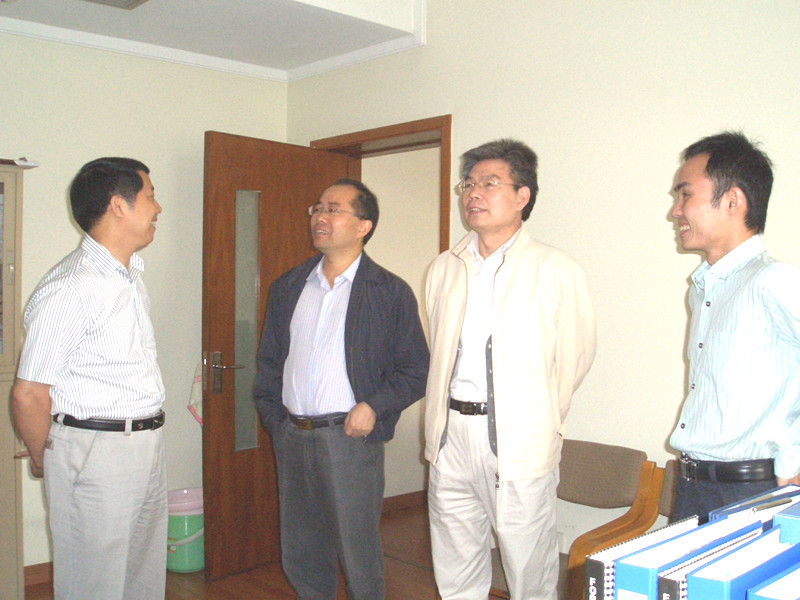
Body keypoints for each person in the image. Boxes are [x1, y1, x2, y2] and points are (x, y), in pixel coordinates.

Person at [424, 139, 596, 599]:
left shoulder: (555, 268)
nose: (473, 194)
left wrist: (539, 418)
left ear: (523, 196)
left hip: (519, 439)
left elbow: (575, 359)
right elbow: (439, 349)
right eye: (468, 184)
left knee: (528, 569)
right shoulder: (444, 268)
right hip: (450, 436)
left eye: (489, 183)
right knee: (455, 565)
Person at [252, 178, 429, 600]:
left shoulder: (389, 291)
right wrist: (276, 420)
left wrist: (374, 406)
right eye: (317, 208)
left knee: (357, 547)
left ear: (363, 226)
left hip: (349, 438)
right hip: (293, 435)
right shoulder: (289, 286)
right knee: (301, 546)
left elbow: (416, 368)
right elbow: (270, 361)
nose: (320, 216)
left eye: (333, 209)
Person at [10, 157, 166, 599]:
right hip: (95, 452)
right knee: (93, 585)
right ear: (118, 206)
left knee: (142, 579)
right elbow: (28, 394)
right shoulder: (72, 287)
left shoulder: (129, 277)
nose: (157, 207)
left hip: (146, 443)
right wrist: (44, 456)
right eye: (150, 196)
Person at [669, 131, 800, 522]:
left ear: (732, 200)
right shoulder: (704, 289)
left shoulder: (772, 281)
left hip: (751, 491)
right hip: (692, 485)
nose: (676, 211)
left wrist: (795, 457)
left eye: (685, 195)